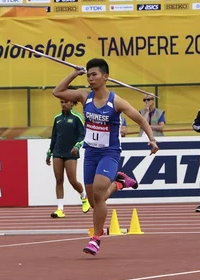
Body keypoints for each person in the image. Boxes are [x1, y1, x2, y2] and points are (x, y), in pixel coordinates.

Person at [53, 58, 159, 256]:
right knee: (95, 201)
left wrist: (151, 140)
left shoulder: (116, 102)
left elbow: (140, 119)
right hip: (91, 152)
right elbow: (57, 92)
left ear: (105, 77)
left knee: (100, 191)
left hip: (109, 153)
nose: (90, 78)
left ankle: (96, 239)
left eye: (94, 75)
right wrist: (74, 73)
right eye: (88, 75)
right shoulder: (85, 97)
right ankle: (119, 182)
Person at [46, 96, 91, 218]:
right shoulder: (57, 118)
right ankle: (60, 209)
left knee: (72, 180)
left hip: (71, 152)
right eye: (61, 102)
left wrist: (77, 146)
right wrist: (49, 152)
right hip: (57, 152)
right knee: (59, 179)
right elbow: (54, 136)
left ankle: (83, 196)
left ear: (72, 103)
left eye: (66, 102)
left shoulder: (77, 117)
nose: (63, 104)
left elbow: (82, 135)